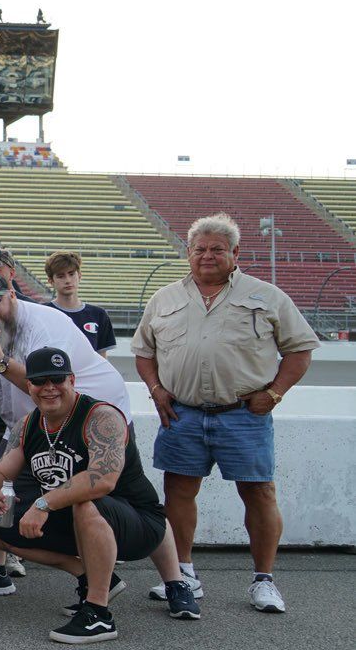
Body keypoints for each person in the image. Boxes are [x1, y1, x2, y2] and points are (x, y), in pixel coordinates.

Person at [133, 212, 317, 613]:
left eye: (217, 249)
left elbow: (300, 351)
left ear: (236, 253)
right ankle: (183, 575)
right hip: (181, 413)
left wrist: (276, 392)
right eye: (200, 248)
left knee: (259, 492)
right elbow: (144, 352)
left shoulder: (267, 296)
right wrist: (156, 390)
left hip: (244, 414)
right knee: (178, 491)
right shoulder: (165, 298)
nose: (207, 256)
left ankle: (263, 580)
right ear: (188, 252)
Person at [0, 347, 201, 643]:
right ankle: (93, 577)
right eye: (40, 381)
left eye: (57, 379)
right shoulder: (29, 424)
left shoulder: (101, 417)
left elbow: (102, 480)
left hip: (140, 525)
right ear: (28, 385)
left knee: (85, 503)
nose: (49, 388)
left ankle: (99, 614)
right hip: (78, 521)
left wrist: (44, 503)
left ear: (72, 380)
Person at [0, 271, 138, 596]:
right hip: (31, 427)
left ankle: (174, 578)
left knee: (130, 497)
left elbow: (47, 388)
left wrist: (1, 363)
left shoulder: (42, 324)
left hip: (93, 417)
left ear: (12, 297)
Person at [45, 251, 116, 356]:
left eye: (71, 274)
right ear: (51, 281)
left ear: (79, 275)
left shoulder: (99, 315)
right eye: (61, 276)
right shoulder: (43, 313)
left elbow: (101, 359)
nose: (68, 280)